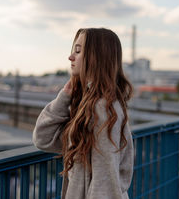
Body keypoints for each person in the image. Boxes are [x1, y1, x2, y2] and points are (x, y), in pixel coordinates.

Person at [33, 28, 134, 199]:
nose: (71, 57)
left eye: (78, 51)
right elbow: (43, 139)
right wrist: (64, 97)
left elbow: (105, 184)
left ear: (96, 57)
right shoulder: (90, 104)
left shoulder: (102, 108)